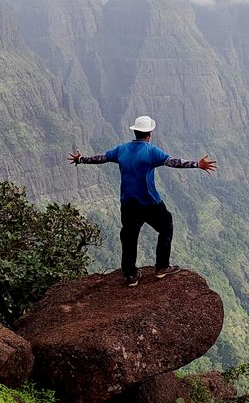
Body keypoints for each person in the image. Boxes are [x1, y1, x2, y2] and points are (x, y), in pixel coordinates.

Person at [68, 115, 216, 287]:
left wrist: (81, 159)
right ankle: (162, 267)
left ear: (135, 131)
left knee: (129, 237)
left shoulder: (122, 149)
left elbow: (102, 158)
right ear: (149, 134)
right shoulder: (151, 152)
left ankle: (130, 275)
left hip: (128, 203)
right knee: (166, 225)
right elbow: (172, 162)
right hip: (149, 202)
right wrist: (197, 164)